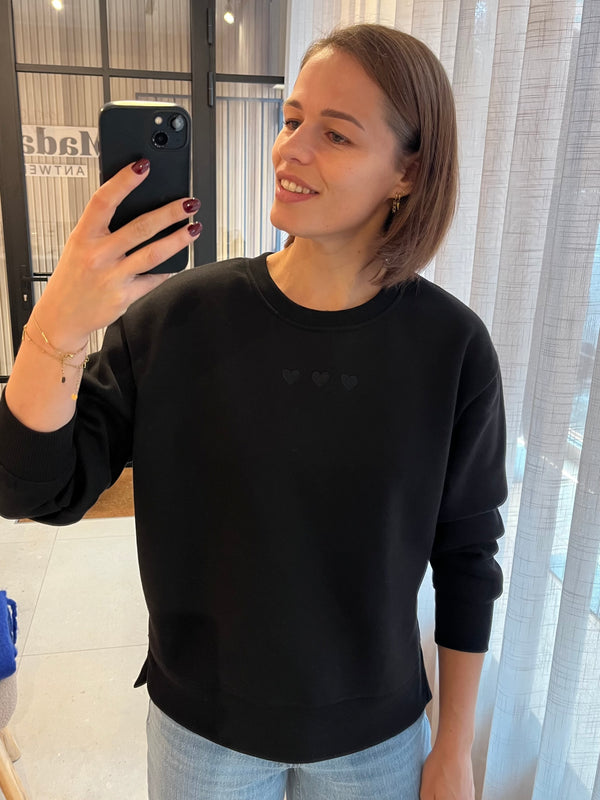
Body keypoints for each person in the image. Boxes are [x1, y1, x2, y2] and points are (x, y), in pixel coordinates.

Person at [0, 23, 506, 800]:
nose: (290, 149)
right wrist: (59, 322)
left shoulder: (452, 348)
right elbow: (35, 489)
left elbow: (468, 556)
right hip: (204, 733)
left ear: (407, 172)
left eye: (335, 133)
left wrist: (456, 747)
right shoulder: (180, 318)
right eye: (292, 119)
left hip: (377, 737)